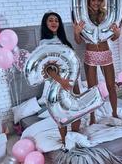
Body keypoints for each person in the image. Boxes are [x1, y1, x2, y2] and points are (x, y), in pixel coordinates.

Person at [73, 0, 121, 125]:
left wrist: (117, 32)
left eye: (99, 0)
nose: (96, 3)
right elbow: (78, 41)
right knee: (92, 89)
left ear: (102, 2)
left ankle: (115, 112)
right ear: (88, 1)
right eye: (93, 0)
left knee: (111, 86)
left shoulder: (107, 16)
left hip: (105, 53)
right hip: (91, 54)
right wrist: (77, 32)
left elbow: (113, 38)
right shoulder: (82, 18)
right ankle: (93, 117)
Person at [40, 11, 81, 145]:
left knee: (77, 112)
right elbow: (47, 67)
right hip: (58, 82)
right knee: (61, 114)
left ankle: (74, 139)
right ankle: (64, 141)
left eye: (56, 20)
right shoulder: (44, 43)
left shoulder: (63, 40)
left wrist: (74, 82)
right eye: (50, 20)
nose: (54, 23)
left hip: (72, 80)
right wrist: (61, 81)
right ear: (45, 23)